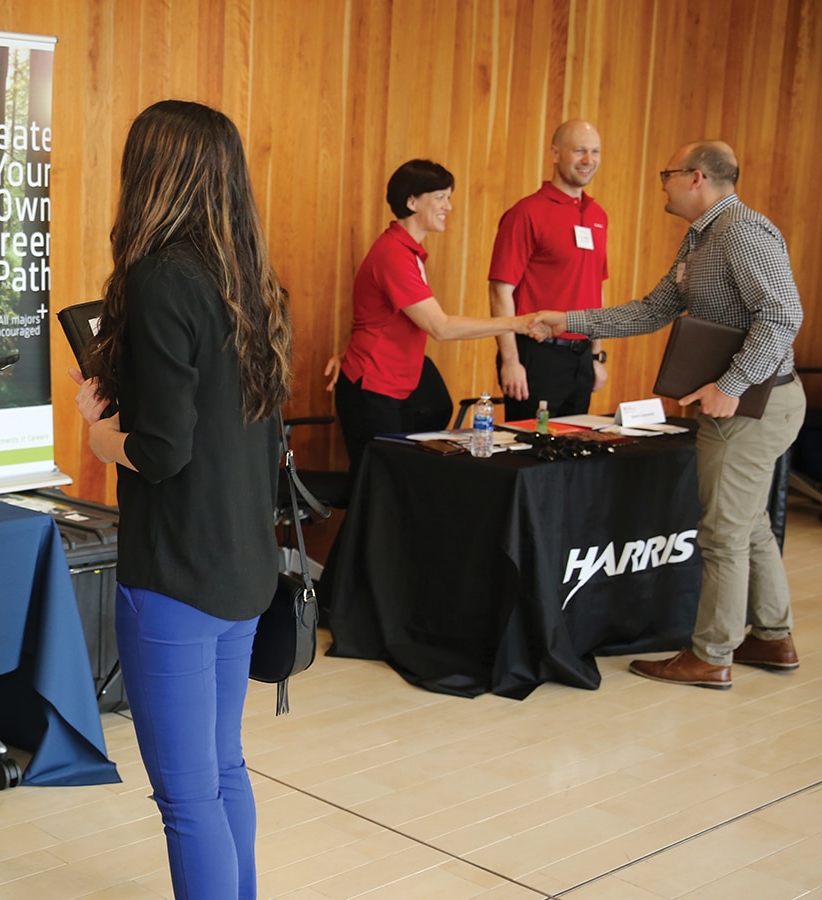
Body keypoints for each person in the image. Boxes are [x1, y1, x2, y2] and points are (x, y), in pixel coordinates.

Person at [71, 99, 293, 900]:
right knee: (222, 767)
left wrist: (102, 438)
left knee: (187, 795)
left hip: (175, 575)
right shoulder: (253, 283)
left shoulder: (160, 277)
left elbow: (161, 451)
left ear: (151, 174)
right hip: (242, 565)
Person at [536, 141, 805, 688]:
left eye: (668, 174)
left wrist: (731, 384)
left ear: (697, 177)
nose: (662, 183)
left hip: (754, 405)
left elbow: (782, 316)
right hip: (754, 401)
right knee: (748, 523)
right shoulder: (703, 235)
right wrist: (567, 319)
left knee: (723, 534)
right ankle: (773, 638)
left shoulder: (741, 232)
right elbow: (653, 309)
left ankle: (711, 655)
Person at [329, 160, 547, 472]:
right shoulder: (394, 254)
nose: (449, 206)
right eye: (440, 197)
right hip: (373, 389)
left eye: (449, 197)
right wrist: (517, 322)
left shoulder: (408, 251)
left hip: (390, 386)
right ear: (411, 201)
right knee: (380, 490)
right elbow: (440, 327)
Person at [490, 119, 611, 419]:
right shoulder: (526, 213)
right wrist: (510, 361)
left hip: (582, 355)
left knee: (572, 453)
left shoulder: (598, 216)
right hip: (537, 353)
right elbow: (500, 290)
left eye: (595, 152)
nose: (588, 160)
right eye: (580, 150)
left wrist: (597, 356)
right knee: (531, 453)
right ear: (556, 154)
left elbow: (597, 288)